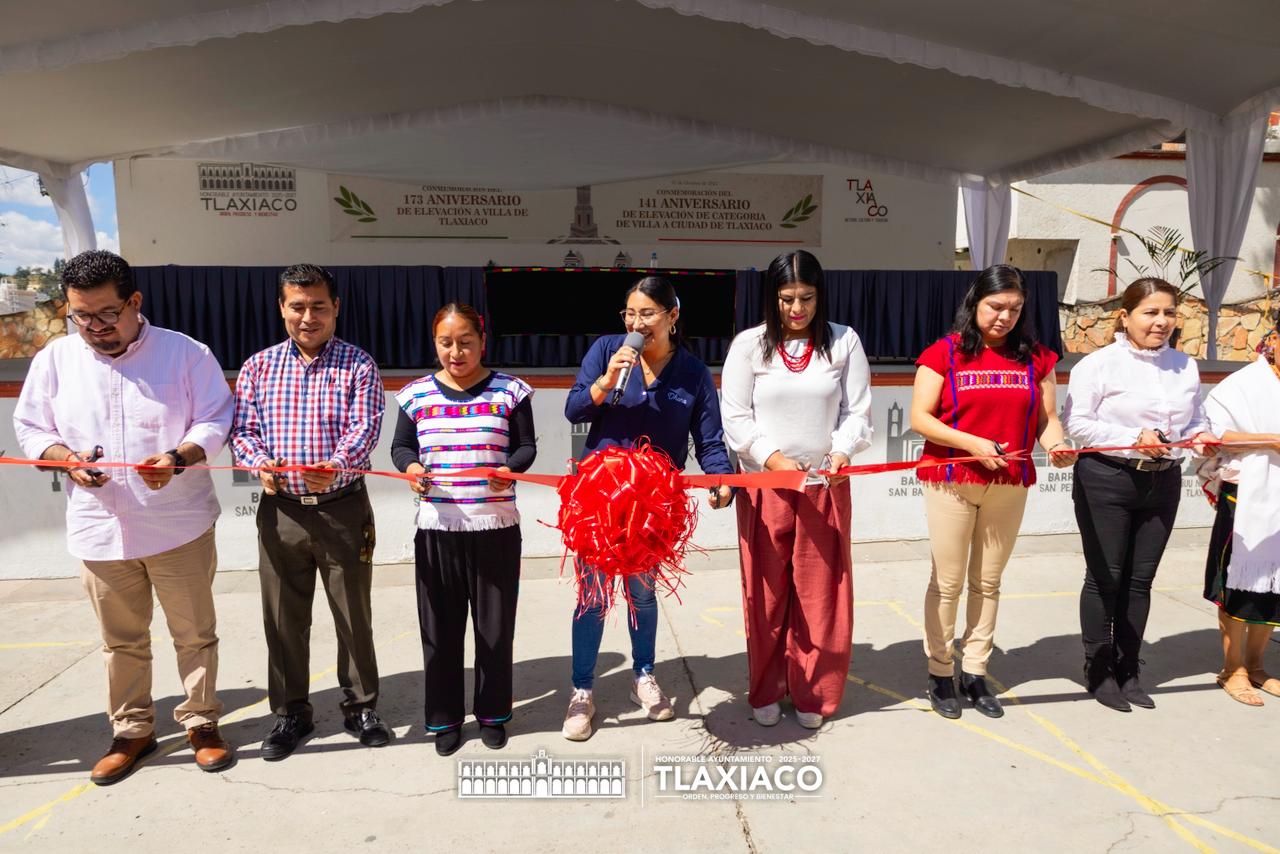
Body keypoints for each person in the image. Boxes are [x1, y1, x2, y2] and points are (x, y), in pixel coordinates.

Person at [13, 249, 235, 784]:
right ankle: (133, 730)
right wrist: (67, 462)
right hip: (99, 527)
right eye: (81, 316)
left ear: (134, 302)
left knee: (194, 634)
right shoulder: (55, 360)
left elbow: (214, 417)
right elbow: (32, 429)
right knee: (122, 641)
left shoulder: (185, 353)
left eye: (107, 314)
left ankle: (202, 722)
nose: (94, 328)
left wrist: (178, 459)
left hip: (176, 524)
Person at [561, 276, 733, 741]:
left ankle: (644, 676)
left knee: (641, 593)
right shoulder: (606, 352)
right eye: (630, 314)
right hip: (600, 502)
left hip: (654, 508)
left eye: (648, 315)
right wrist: (605, 380)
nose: (637, 324)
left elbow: (710, 441)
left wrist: (720, 481)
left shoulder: (693, 373)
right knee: (593, 596)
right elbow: (575, 410)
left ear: (672, 317)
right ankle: (582, 692)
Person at [230, 263, 389, 758]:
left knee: (352, 614)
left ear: (335, 307)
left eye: (319, 306)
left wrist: (338, 464)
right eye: (297, 306)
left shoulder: (359, 365)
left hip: (342, 508)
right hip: (282, 513)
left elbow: (365, 428)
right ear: (281, 308)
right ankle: (291, 712)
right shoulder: (258, 367)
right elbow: (243, 432)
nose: (308, 316)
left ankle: (361, 705)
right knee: (282, 617)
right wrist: (260, 464)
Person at [910, 264, 1071, 720]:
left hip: (1008, 483)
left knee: (988, 582)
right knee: (948, 582)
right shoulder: (944, 353)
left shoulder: (1037, 358)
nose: (1004, 317)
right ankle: (940, 672)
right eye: (995, 307)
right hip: (952, 481)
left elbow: (1047, 420)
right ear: (975, 303)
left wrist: (1056, 445)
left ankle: (975, 671)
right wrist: (971, 444)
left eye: (1014, 309)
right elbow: (922, 417)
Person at [719, 250, 871, 729]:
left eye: (806, 298)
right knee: (765, 595)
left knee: (819, 594)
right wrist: (773, 459)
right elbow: (735, 415)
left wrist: (843, 449)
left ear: (820, 296)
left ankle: (813, 692)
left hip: (824, 484)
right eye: (786, 299)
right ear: (773, 299)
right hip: (766, 486)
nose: (797, 309)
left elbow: (859, 412)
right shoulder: (749, 345)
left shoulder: (844, 342)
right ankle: (767, 687)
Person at [1062, 277, 1217, 712]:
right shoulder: (1097, 365)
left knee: (1140, 579)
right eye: (1151, 312)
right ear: (1125, 316)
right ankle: (1099, 668)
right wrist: (1134, 438)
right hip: (1108, 478)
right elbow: (1079, 424)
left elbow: (1194, 420)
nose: (1161, 321)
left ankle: (1130, 668)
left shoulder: (1184, 365)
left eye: (1169, 313)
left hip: (1162, 482)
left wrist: (1200, 437)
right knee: (1105, 577)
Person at [390, 303, 536, 755]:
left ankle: (493, 713)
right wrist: (412, 466)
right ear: (435, 343)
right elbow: (400, 446)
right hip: (438, 527)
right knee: (441, 629)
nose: (456, 351)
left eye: (465, 341)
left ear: (482, 340)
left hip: (494, 526)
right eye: (446, 342)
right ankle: (444, 719)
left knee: (494, 629)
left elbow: (526, 446)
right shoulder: (415, 395)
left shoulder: (511, 390)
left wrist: (508, 469)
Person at [1199, 324, 1280, 706]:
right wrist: (1272, 440)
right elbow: (1218, 436)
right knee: (1239, 581)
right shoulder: (1241, 385)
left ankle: (1258, 665)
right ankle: (1233, 669)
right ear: (1275, 340)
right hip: (1248, 495)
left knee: (1275, 582)